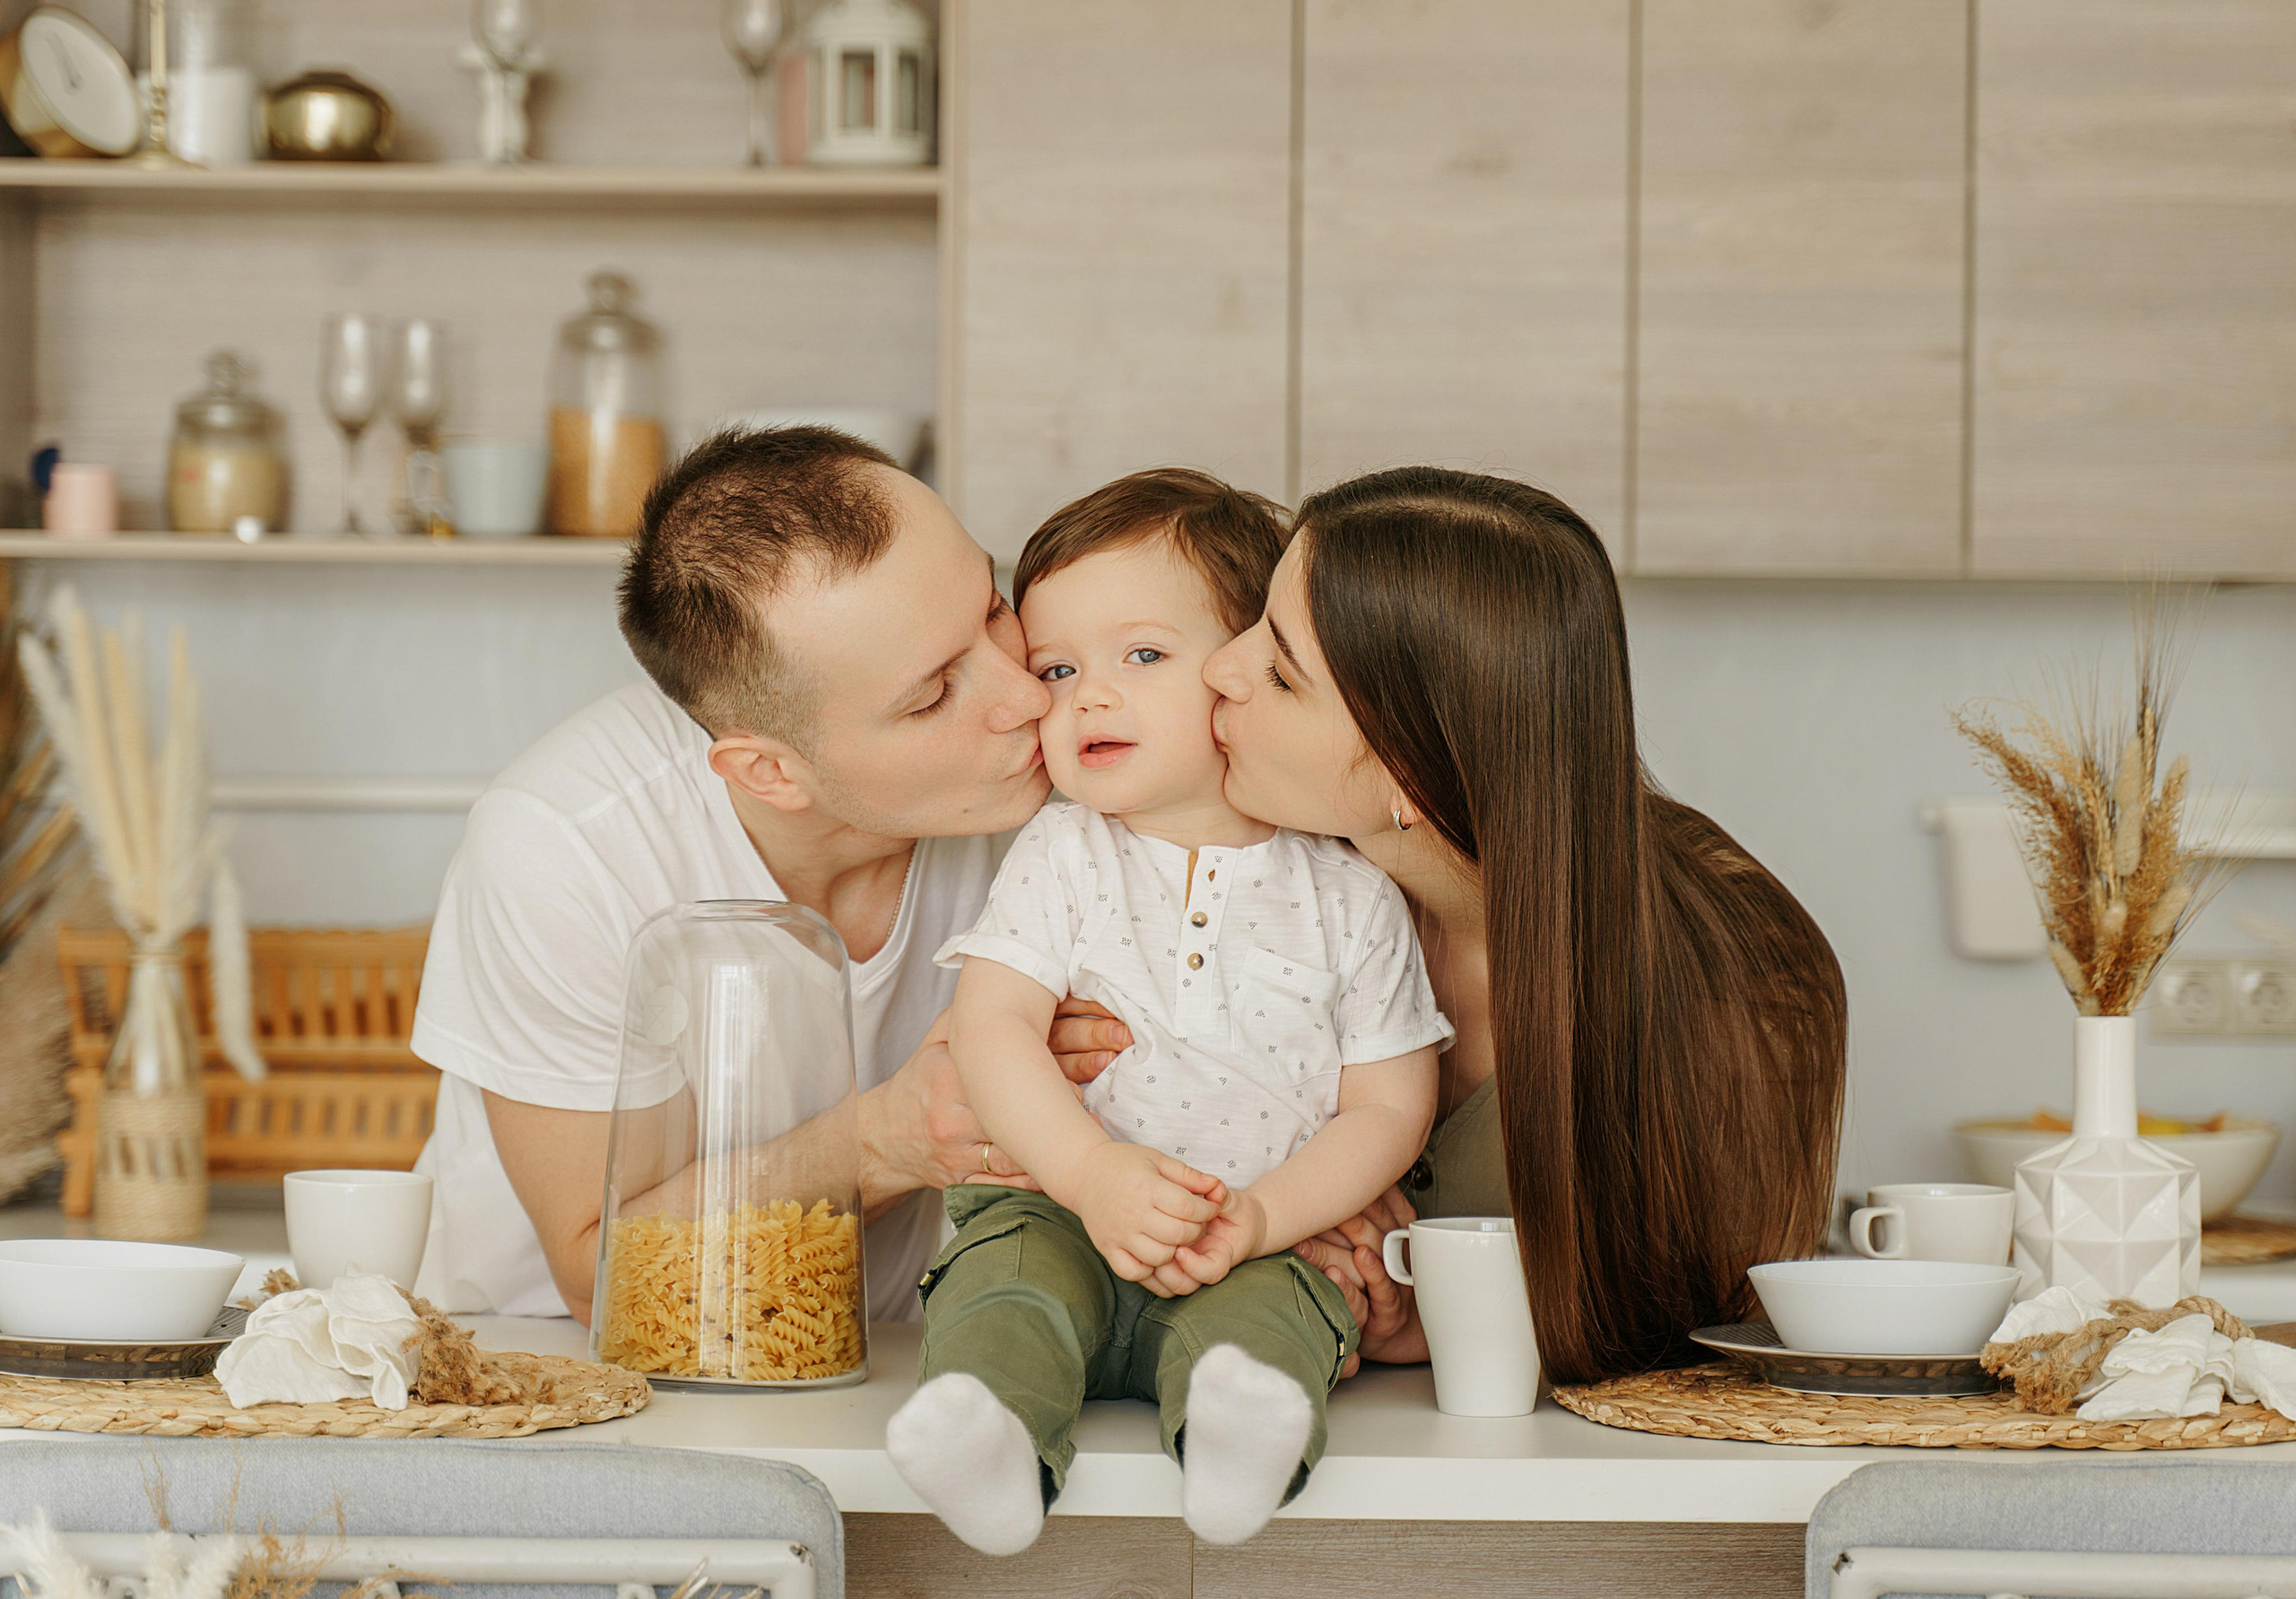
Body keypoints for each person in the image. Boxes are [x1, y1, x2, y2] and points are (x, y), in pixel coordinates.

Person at [407, 427, 1130, 1323]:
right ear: (769, 773)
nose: (1026, 695)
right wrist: (890, 1138)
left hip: (886, 1368)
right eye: (934, 694)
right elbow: (597, 1267)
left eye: (992, 608)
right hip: (558, 1376)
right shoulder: (564, 849)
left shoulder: (1071, 777)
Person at [885, 470, 1451, 1554]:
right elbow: (990, 1030)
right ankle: (994, 1443)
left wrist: (1265, 1217)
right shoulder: (1059, 852)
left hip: (1251, 1237)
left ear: (1242, 673)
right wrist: (1088, 1176)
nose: (1088, 695)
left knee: (1267, 1330)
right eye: (1057, 668)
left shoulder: (1348, 888)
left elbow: (1388, 1107)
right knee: (1004, 1293)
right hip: (1055, 1211)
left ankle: (1240, 1447)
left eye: (1141, 656)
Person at [1202, 466, 1848, 1386]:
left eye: (1279, 671)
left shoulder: (1744, 976)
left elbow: (1699, 1330)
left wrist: (1429, 1317)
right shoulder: (1275, 884)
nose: (1218, 667)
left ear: (1408, 782)